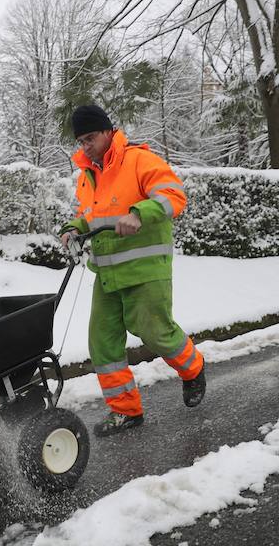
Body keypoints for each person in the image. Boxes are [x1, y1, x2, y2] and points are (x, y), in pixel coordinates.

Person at [60, 104, 205, 437]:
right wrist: (72, 228)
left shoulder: (139, 160)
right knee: (103, 344)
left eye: (91, 137)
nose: (86, 146)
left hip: (144, 269)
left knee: (155, 333)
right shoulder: (87, 176)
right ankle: (125, 411)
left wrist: (140, 213)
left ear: (109, 131)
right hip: (108, 273)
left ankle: (193, 368)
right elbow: (90, 216)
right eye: (81, 141)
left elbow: (174, 195)